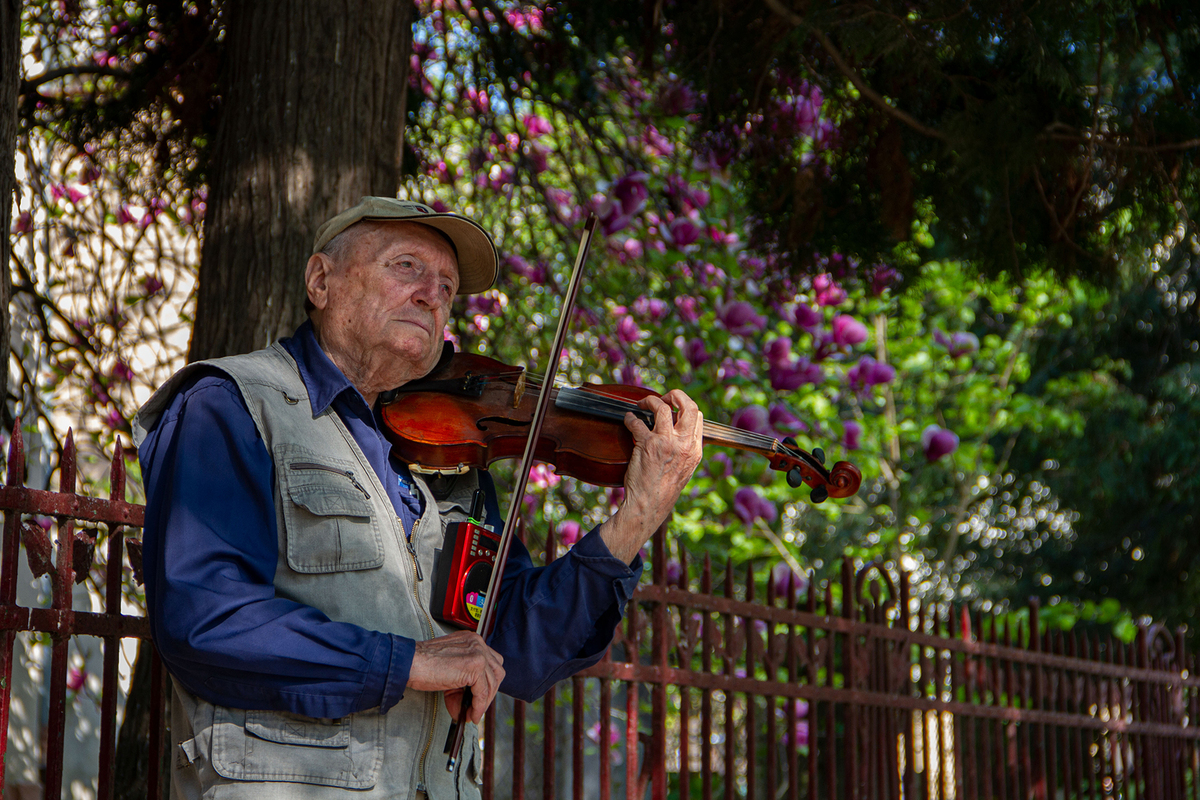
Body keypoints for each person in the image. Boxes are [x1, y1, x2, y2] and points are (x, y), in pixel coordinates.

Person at [134, 196, 704, 799]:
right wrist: (406, 662)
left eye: (448, 287)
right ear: (322, 281)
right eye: (406, 266)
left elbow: (518, 642)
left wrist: (639, 515)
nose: (433, 295)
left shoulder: (452, 452)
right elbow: (208, 620)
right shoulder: (232, 405)